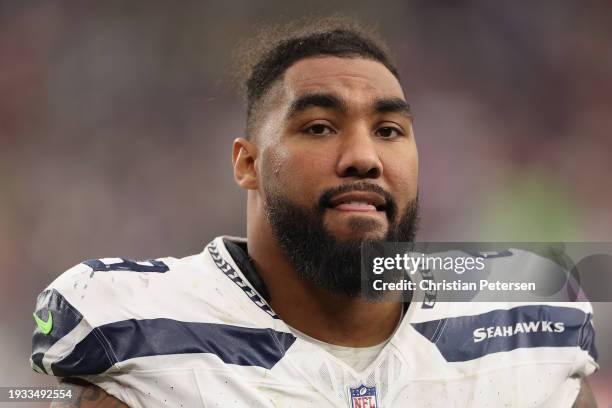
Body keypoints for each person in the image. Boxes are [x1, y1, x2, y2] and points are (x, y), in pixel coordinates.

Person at [30, 18, 598, 407]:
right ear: (247, 163)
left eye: (390, 130)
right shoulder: (129, 328)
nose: (363, 158)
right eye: (320, 128)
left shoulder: (529, 315)